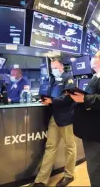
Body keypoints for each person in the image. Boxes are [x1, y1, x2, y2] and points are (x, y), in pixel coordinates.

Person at [69, 50, 100, 187]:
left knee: (98, 170)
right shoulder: (98, 76)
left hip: (99, 133)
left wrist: (84, 98)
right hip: (94, 131)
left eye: (94, 57)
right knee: (95, 169)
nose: (91, 60)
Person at [30, 58, 77, 187]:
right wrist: (44, 98)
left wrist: (52, 101)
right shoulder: (52, 79)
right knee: (50, 148)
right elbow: (49, 93)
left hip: (66, 119)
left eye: (55, 67)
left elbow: (69, 97)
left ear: (61, 67)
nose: (54, 70)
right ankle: (41, 180)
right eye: (52, 68)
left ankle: (69, 175)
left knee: (70, 148)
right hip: (54, 118)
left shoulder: (69, 78)